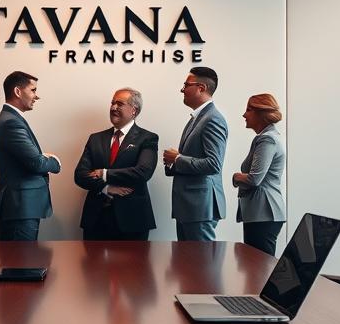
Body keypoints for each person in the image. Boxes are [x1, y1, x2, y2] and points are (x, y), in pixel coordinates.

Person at [74, 87, 158, 240]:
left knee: (134, 265)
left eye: (119, 104)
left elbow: (143, 172)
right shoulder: (95, 139)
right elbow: (80, 175)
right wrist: (106, 187)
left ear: (134, 110)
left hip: (132, 220)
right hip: (96, 219)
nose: (113, 107)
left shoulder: (147, 138)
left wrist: (104, 173)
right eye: (112, 103)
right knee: (92, 264)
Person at [0, 71, 61, 241]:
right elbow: (36, 163)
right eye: (33, 90)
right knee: (21, 264)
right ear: (17, 92)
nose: (37, 96)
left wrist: (41, 156)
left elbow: (29, 158)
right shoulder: (11, 122)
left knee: (23, 262)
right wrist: (54, 162)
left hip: (22, 208)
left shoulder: (12, 119)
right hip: (19, 209)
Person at [162, 67, 228, 241]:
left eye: (186, 84)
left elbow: (214, 164)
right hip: (190, 207)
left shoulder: (213, 118)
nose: (182, 89)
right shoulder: (197, 118)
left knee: (202, 263)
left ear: (201, 88)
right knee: (188, 264)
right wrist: (173, 163)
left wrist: (177, 158)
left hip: (200, 207)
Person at [232, 93, 286, 255]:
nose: (244, 114)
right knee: (255, 267)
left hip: (263, 213)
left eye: (248, 110)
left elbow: (254, 179)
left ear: (260, 113)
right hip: (260, 214)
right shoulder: (266, 138)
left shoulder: (267, 140)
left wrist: (235, 177)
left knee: (260, 268)